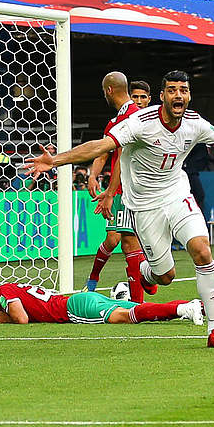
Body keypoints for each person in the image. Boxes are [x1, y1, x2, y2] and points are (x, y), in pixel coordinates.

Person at [23, 70, 214, 348]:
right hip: (145, 207)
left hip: (177, 195)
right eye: (172, 91)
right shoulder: (140, 123)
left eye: (184, 90)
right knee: (164, 276)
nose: (178, 96)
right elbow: (99, 147)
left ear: (189, 96)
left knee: (202, 250)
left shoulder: (196, 123)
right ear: (163, 96)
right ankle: (145, 272)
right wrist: (56, 161)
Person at [83, 74, 150, 300]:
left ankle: (144, 288)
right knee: (121, 239)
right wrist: (93, 175)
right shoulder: (115, 122)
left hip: (134, 189)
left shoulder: (134, 118)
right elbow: (104, 152)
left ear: (108, 90)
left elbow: (123, 157)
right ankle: (136, 296)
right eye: (136, 95)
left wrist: (110, 194)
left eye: (143, 97)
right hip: (126, 189)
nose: (139, 100)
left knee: (132, 242)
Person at [0, 281, 214, 326]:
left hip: (74, 309)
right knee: (127, 310)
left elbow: (21, 319)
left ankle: (183, 308)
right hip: (78, 300)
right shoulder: (7, 294)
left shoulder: (3, 291)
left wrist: (1, 317)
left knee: (126, 317)